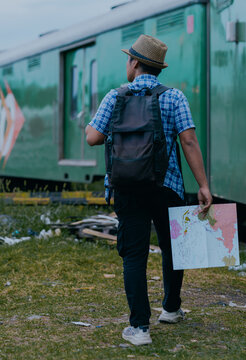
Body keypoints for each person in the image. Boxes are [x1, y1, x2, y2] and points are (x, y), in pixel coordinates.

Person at [85, 34, 212, 346]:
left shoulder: (114, 97)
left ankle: (139, 328)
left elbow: (91, 137)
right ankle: (170, 309)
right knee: (174, 249)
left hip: (127, 187)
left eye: (129, 59)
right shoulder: (174, 97)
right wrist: (203, 185)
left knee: (134, 255)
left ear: (135, 63)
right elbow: (189, 141)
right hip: (166, 185)